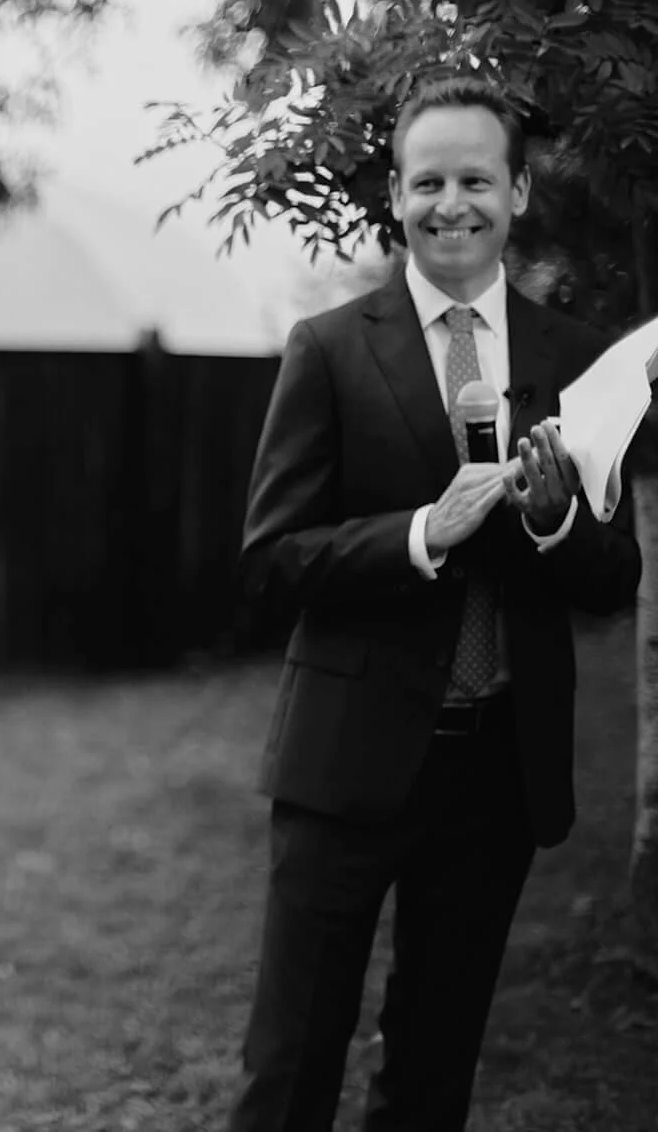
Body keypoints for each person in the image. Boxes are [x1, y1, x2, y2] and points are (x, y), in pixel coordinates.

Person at [228, 73, 641, 1132]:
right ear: (395, 194)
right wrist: (421, 531)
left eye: (474, 180)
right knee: (290, 1062)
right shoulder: (328, 347)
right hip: (345, 759)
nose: (449, 203)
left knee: (433, 1068)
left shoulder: (576, 359)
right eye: (426, 182)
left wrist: (553, 522)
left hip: (497, 770)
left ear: (517, 193)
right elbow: (271, 559)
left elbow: (614, 581)